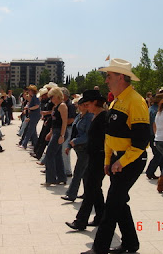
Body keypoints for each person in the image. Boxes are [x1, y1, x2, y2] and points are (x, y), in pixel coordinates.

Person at [82, 58, 150, 254]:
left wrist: (121, 161)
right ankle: (131, 243)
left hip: (131, 160)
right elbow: (109, 136)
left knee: (112, 204)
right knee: (119, 202)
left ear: (121, 77)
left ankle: (99, 248)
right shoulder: (115, 102)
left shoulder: (136, 102)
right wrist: (108, 160)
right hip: (117, 160)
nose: (106, 80)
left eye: (109, 76)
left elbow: (140, 142)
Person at [65, 90, 106, 230]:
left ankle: (81, 221)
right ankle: (100, 216)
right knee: (95, 189)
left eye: (87, 104)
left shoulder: (103, 117)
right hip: (93, 156)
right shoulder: (94, 116)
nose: (86, 107)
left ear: (95, 103)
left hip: (99, 158)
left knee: (90, 190)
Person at [61, 97, 93, 202]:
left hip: (85, 148)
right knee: (85, 172)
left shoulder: (89, 117)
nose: (85, 107)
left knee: (78, 171)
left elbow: (88, 135)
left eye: (86, 105)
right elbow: (74, 131)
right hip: (78, 148)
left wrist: (75, 141)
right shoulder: (79, 116)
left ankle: (71, 194)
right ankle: (88, 193)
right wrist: (69, 146)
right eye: (83, 105)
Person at [41, 87, 68, 187]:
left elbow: (64, 122)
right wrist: (50, 133)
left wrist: (62, 135)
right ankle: (61, 177)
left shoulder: (62, 106)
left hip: (59, 132)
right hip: (55, 131)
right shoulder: (56, 106)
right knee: (57, 155)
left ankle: (51, 178)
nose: (50, 99)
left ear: (57, 96)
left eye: (52, 97)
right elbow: (54, 122)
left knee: (49, 154)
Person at [145, 93, 163, 180]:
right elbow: (154, 125)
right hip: (154, 135)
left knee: (160, 155)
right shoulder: (156, 111)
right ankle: (150, 172)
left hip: (150, 134)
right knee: (158, 154)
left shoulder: (150, 109)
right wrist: (157, 137)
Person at [61, 87, 77, 177]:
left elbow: (71, 119)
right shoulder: (64, 104)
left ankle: (67, 171)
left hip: (68, 129)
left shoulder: (70, 105)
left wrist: (62, 123)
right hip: (65, 128)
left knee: (65, 150)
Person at [20, 85, 41, 149]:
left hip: (35, 115)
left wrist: (30, 108)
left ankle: (24, 144)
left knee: (30, 130)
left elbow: (37, 106)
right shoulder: (33, 97)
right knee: (33, 131)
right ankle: (36, 145)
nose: (28, 91)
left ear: (32, 91)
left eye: (29, 90)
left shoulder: (35, 98)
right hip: (32, 115)